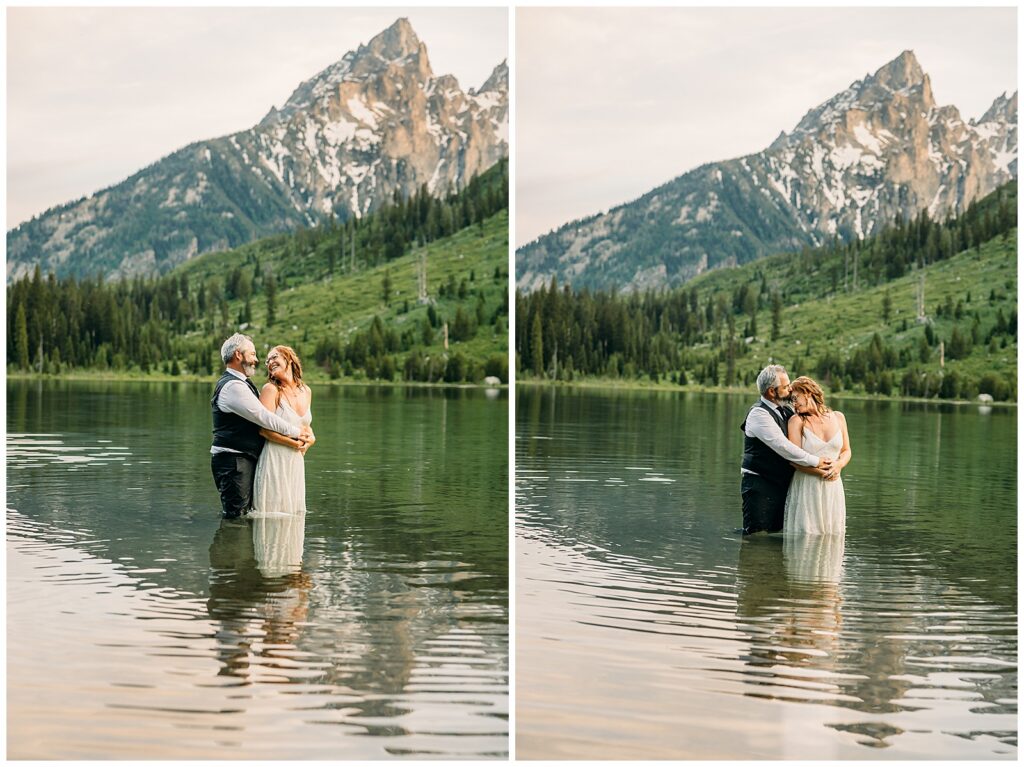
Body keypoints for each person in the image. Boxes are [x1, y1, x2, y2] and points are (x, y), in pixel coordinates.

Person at [210, 334, 312, 519]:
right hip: (233, 460)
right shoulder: (233, 386)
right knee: (237, 517)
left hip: (243, 460)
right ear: (238, 355)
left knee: (246, 514)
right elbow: (264, 419)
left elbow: (302, 423)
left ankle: (240, 546)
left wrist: (308, 437)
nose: (258, 360)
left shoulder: (244, 384)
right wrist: (298, 435)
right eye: (253, 354)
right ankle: (231, 545)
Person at [740, 365, 832, 535]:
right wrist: (817, 461)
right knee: (757, 536)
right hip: (760, 485)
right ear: (771, 392)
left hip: (782, 484)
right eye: (786, 387)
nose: (790, 390)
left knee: (779, 534)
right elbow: (784, 447)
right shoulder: (758, 414)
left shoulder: (786, 410)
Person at [250, 345, 314, 518]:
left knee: (293, 512)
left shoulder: (306, 391)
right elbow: (264, 430)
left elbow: (305, 425)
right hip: (274, 459)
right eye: (267, 361)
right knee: (272, 513)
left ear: (289, 359)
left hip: (296, 463)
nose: (269, 362)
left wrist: (311, 439)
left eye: (274, 357)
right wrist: (294, 443)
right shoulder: (270, 390)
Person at [783, 376, 850, 535]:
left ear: (807, 393)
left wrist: (838, 466)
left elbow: (846, 451)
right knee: (806, 534)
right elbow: (794, 460)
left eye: (795, 398)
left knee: (832, 534)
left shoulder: (839, 417)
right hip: (808, 485)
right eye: (791, 400)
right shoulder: (796, 421)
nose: (794, 404)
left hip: (833, 487)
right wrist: (821, 472)